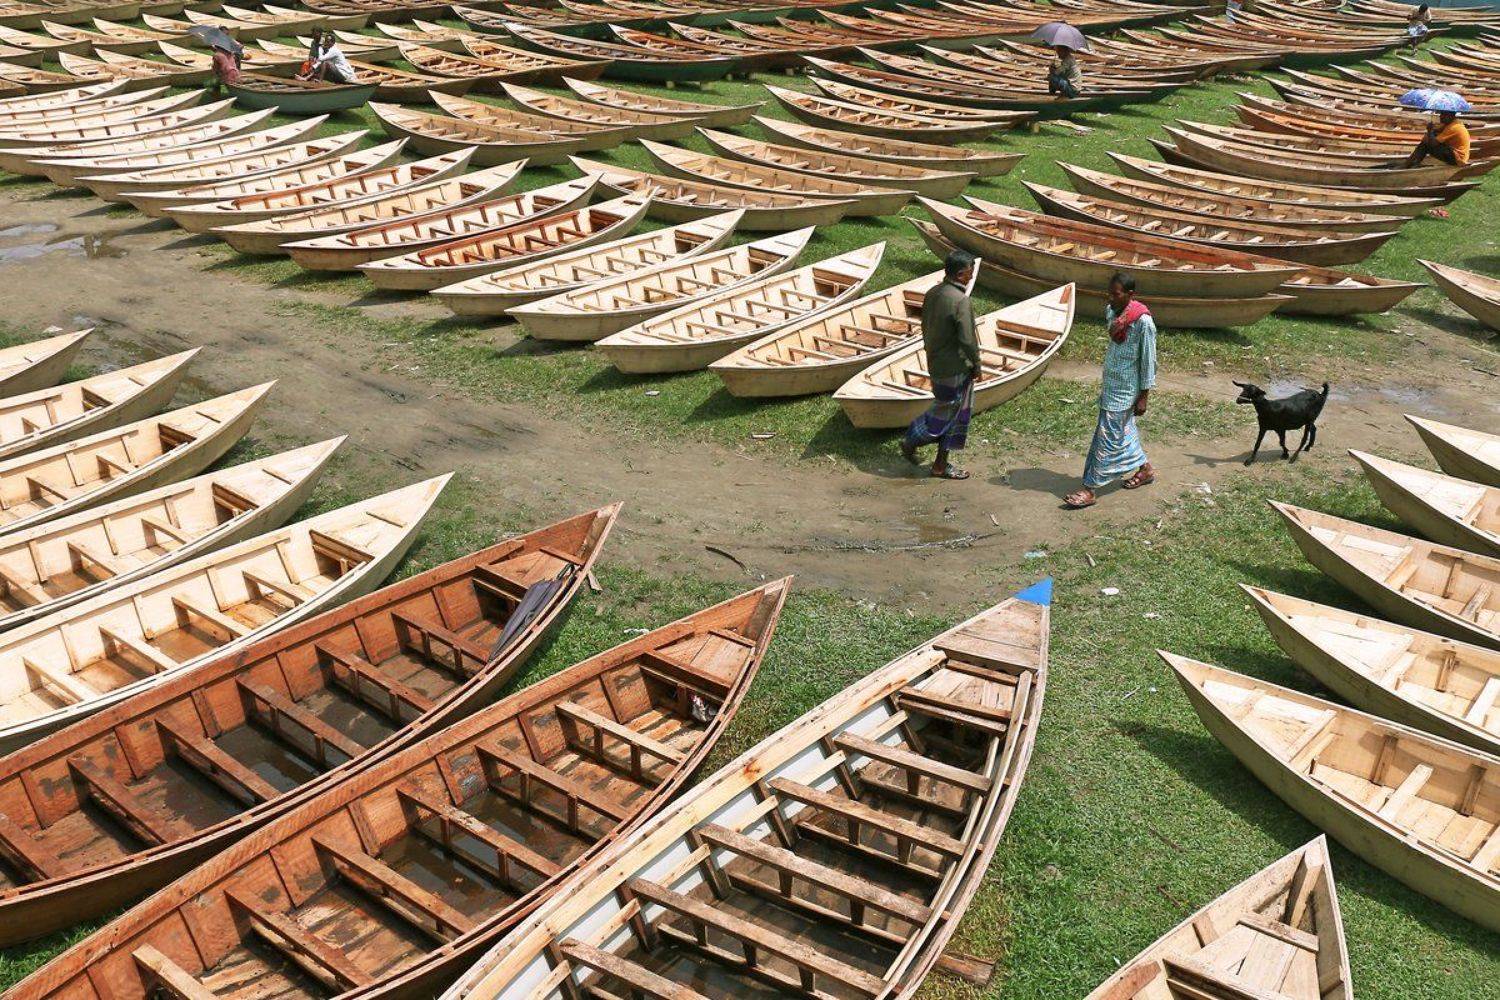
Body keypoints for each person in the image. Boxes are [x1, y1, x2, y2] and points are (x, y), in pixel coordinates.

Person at [1066, 274, 1157, 509]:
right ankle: (1145, 469)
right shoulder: (1111, 312)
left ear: (1130, 295)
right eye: (1109, 293)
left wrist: (1144, 396)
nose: (1110, 298)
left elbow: (1148, 361)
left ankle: (1090, 488)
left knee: (1107, 438)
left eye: (1116, 294)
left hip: (1126, 391)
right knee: (1123, 432)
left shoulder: (1144, 323)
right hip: (1110, 385)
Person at [901, 250, 980, 481]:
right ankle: (914, 440)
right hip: (956, 367)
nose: (972, 276)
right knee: (949, 413)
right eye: (970, 272)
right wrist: (976, 364)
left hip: (935, 362)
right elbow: (967, 339)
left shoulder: (933, 292)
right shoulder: (961, 301)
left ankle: (938, 463)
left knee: (948, 410)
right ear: (961, 274)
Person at [1405, 109, 1470, 167]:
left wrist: (1430, 131)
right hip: (1456, 155)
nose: (1441, 117)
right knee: (1427, 142)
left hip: (1458, 159)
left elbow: (1433, 143)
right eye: (1441, 114)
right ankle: (1412, 163)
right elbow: (1437, 131)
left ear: (1451, 116)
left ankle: (1410, 163)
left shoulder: (1453, 127)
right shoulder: (1452, 123)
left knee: (1426, 145)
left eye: (1444, 115)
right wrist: (1432, 130)